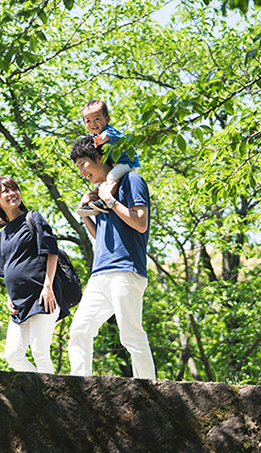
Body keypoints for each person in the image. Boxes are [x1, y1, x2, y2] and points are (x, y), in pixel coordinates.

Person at [68, 137, 156, 379]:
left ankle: (151, 392)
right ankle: (78, 386)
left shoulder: (132, 180)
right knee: (80, 330)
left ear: (99, 158)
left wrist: (110, 200)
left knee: (131, 335)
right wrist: (86, 214)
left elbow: (140, 222)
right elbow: (101, 238)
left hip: (126, 271)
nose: (81, 171)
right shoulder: (101, 192)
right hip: (100, 274)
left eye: (83, 164)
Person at [0, 176, 69, 374]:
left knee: (39, 351)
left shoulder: (32, 218)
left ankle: (52, 397)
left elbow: (52, 251)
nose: (11, 194)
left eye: (14, 189)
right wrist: (9, 297)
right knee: (12, 355)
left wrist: (48, 286)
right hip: (19, 303)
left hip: (43, 296)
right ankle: (40, 391)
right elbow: (6, 269)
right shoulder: (3, 234)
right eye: (5, 191)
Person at [80, 99, 141, 215]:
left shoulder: (110, 131)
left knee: (110, 177)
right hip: (115, 163)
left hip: (127, 163)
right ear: (84, 123)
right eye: (88, 121)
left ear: (106, 119)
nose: (93, 123)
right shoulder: (94, 136)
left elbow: (108, 136)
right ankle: (93, 201)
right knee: (97, 182)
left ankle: (105, 202)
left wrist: (101, 139)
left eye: (97, 119)